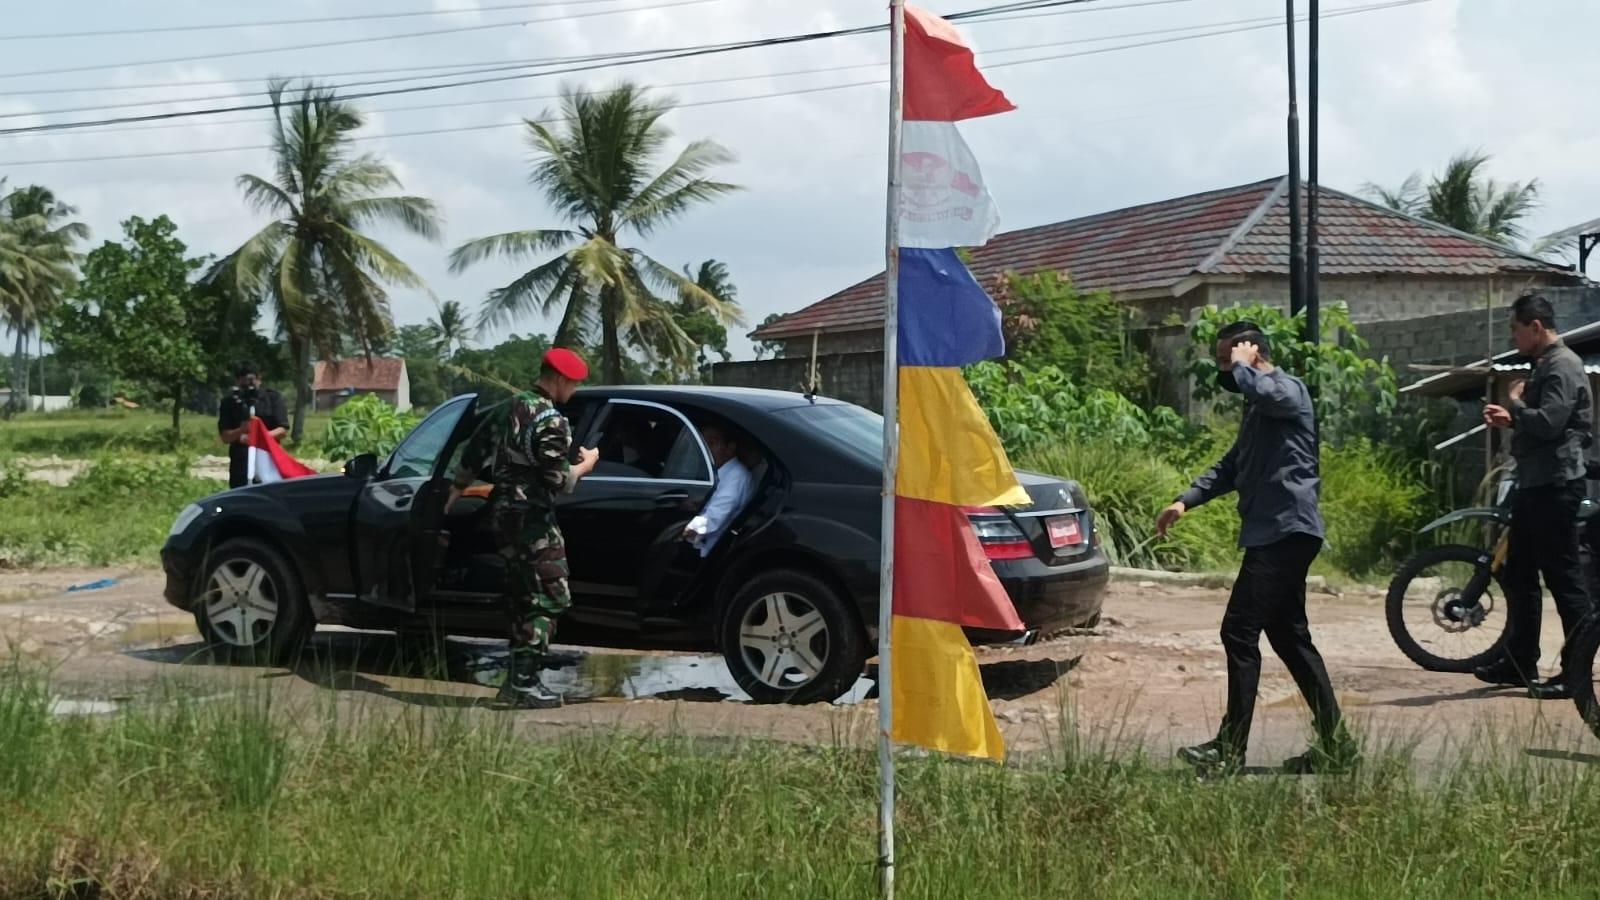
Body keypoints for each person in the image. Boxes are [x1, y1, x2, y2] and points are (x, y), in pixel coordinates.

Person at [1156, 321, 1356, 774]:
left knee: (1238, 631)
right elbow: (1233, 465)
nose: (1225, 372)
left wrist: (1246, 367)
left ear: (1253, 352)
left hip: (1286, 531)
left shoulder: (1287, 390)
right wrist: (1185, 501)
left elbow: (1269, 393)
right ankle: (1337, 748)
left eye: (1229, 360)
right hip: (1275, 533)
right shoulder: (1256, 408)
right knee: (1290, 639)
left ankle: (1230, 749)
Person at [448, 348, 599, 709]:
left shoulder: (507, 408)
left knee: (522, 597)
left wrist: (453, 493)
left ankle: (517, 683)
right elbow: (559, 481)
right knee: (550, 597)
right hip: (533, 521)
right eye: (574, 385)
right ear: (559, 380)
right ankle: (523, 685)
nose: (574, 392)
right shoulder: (551, 421)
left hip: (503, 515)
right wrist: (586, 464)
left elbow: (475, 452)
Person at [1480, 293, 1594, 699]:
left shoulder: (1563, 365)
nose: (1513, 336)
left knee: (1564, 579)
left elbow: (1549, 423)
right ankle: (1518, 661)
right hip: (1535, 483)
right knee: (1518, 572)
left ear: (1535, 327)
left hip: (1556, 484)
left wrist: (1514, 408)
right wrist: (1512, 417)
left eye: (1515, 328)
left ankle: (1575, 673)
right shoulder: (1543, 365)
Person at [682, 423, 755, 557]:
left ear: (730, 448)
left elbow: (715, 516)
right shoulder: (716, 471)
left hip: (709, 549)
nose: (706, 449)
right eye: (703, 443)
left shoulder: (737, 476)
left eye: (712, 443)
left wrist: (686, 530)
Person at [216, 361, 288, 489]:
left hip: (268, 459)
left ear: (259, 379)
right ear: (238, 381)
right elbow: (225, 437)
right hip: (241, 462)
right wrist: (241, 431)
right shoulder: (229, 402)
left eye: (252, 381)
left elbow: (282, 430)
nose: (249, 386)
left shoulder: (272, 398)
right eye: (244, 381)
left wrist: (260, 437)